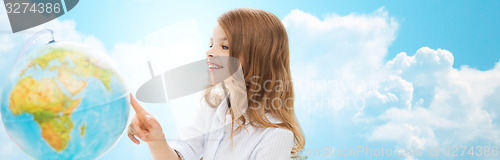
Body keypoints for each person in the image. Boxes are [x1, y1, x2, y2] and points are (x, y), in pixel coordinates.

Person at [128, 8, 305, 160]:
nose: (209, 52)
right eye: (211, 43)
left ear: (257, 57)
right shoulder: (212, 107)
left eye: (225, 47)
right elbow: (183, 154)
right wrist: (156, 139)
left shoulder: (275, 135)